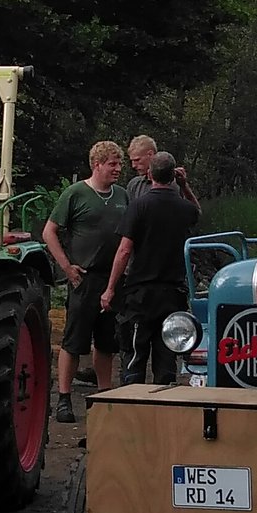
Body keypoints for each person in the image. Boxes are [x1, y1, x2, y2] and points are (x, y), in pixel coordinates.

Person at [43, 141, 129, 424]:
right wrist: (66, 267)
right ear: (97, 165)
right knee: (74, 340)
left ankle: (103, 398)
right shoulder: (75, 193)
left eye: (120, 163)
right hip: (84, 278)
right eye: (113, 164)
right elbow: (49, 231)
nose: (118, 169)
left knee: (107, 342)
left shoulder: (122, 196)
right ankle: (64, 398)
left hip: (112, 278)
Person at [101, 151, 199, 385]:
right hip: (173, 292)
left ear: (150, 174)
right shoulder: (184, 208)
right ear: (173, 176)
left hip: (140, 293)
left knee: (134, 354)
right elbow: (197, 212)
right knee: (167, 357)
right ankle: (163, 400)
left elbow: (124, 250)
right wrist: (185, 187)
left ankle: (131, 398)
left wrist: (110, 288)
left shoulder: (139, 206)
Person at [127, 135, 199, 207]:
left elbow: (194, 210)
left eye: (137, 160)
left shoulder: (175, 184)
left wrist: (184, 187)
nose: (133, 165)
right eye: (132, 161)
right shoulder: (135, 185)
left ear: (150, 154)